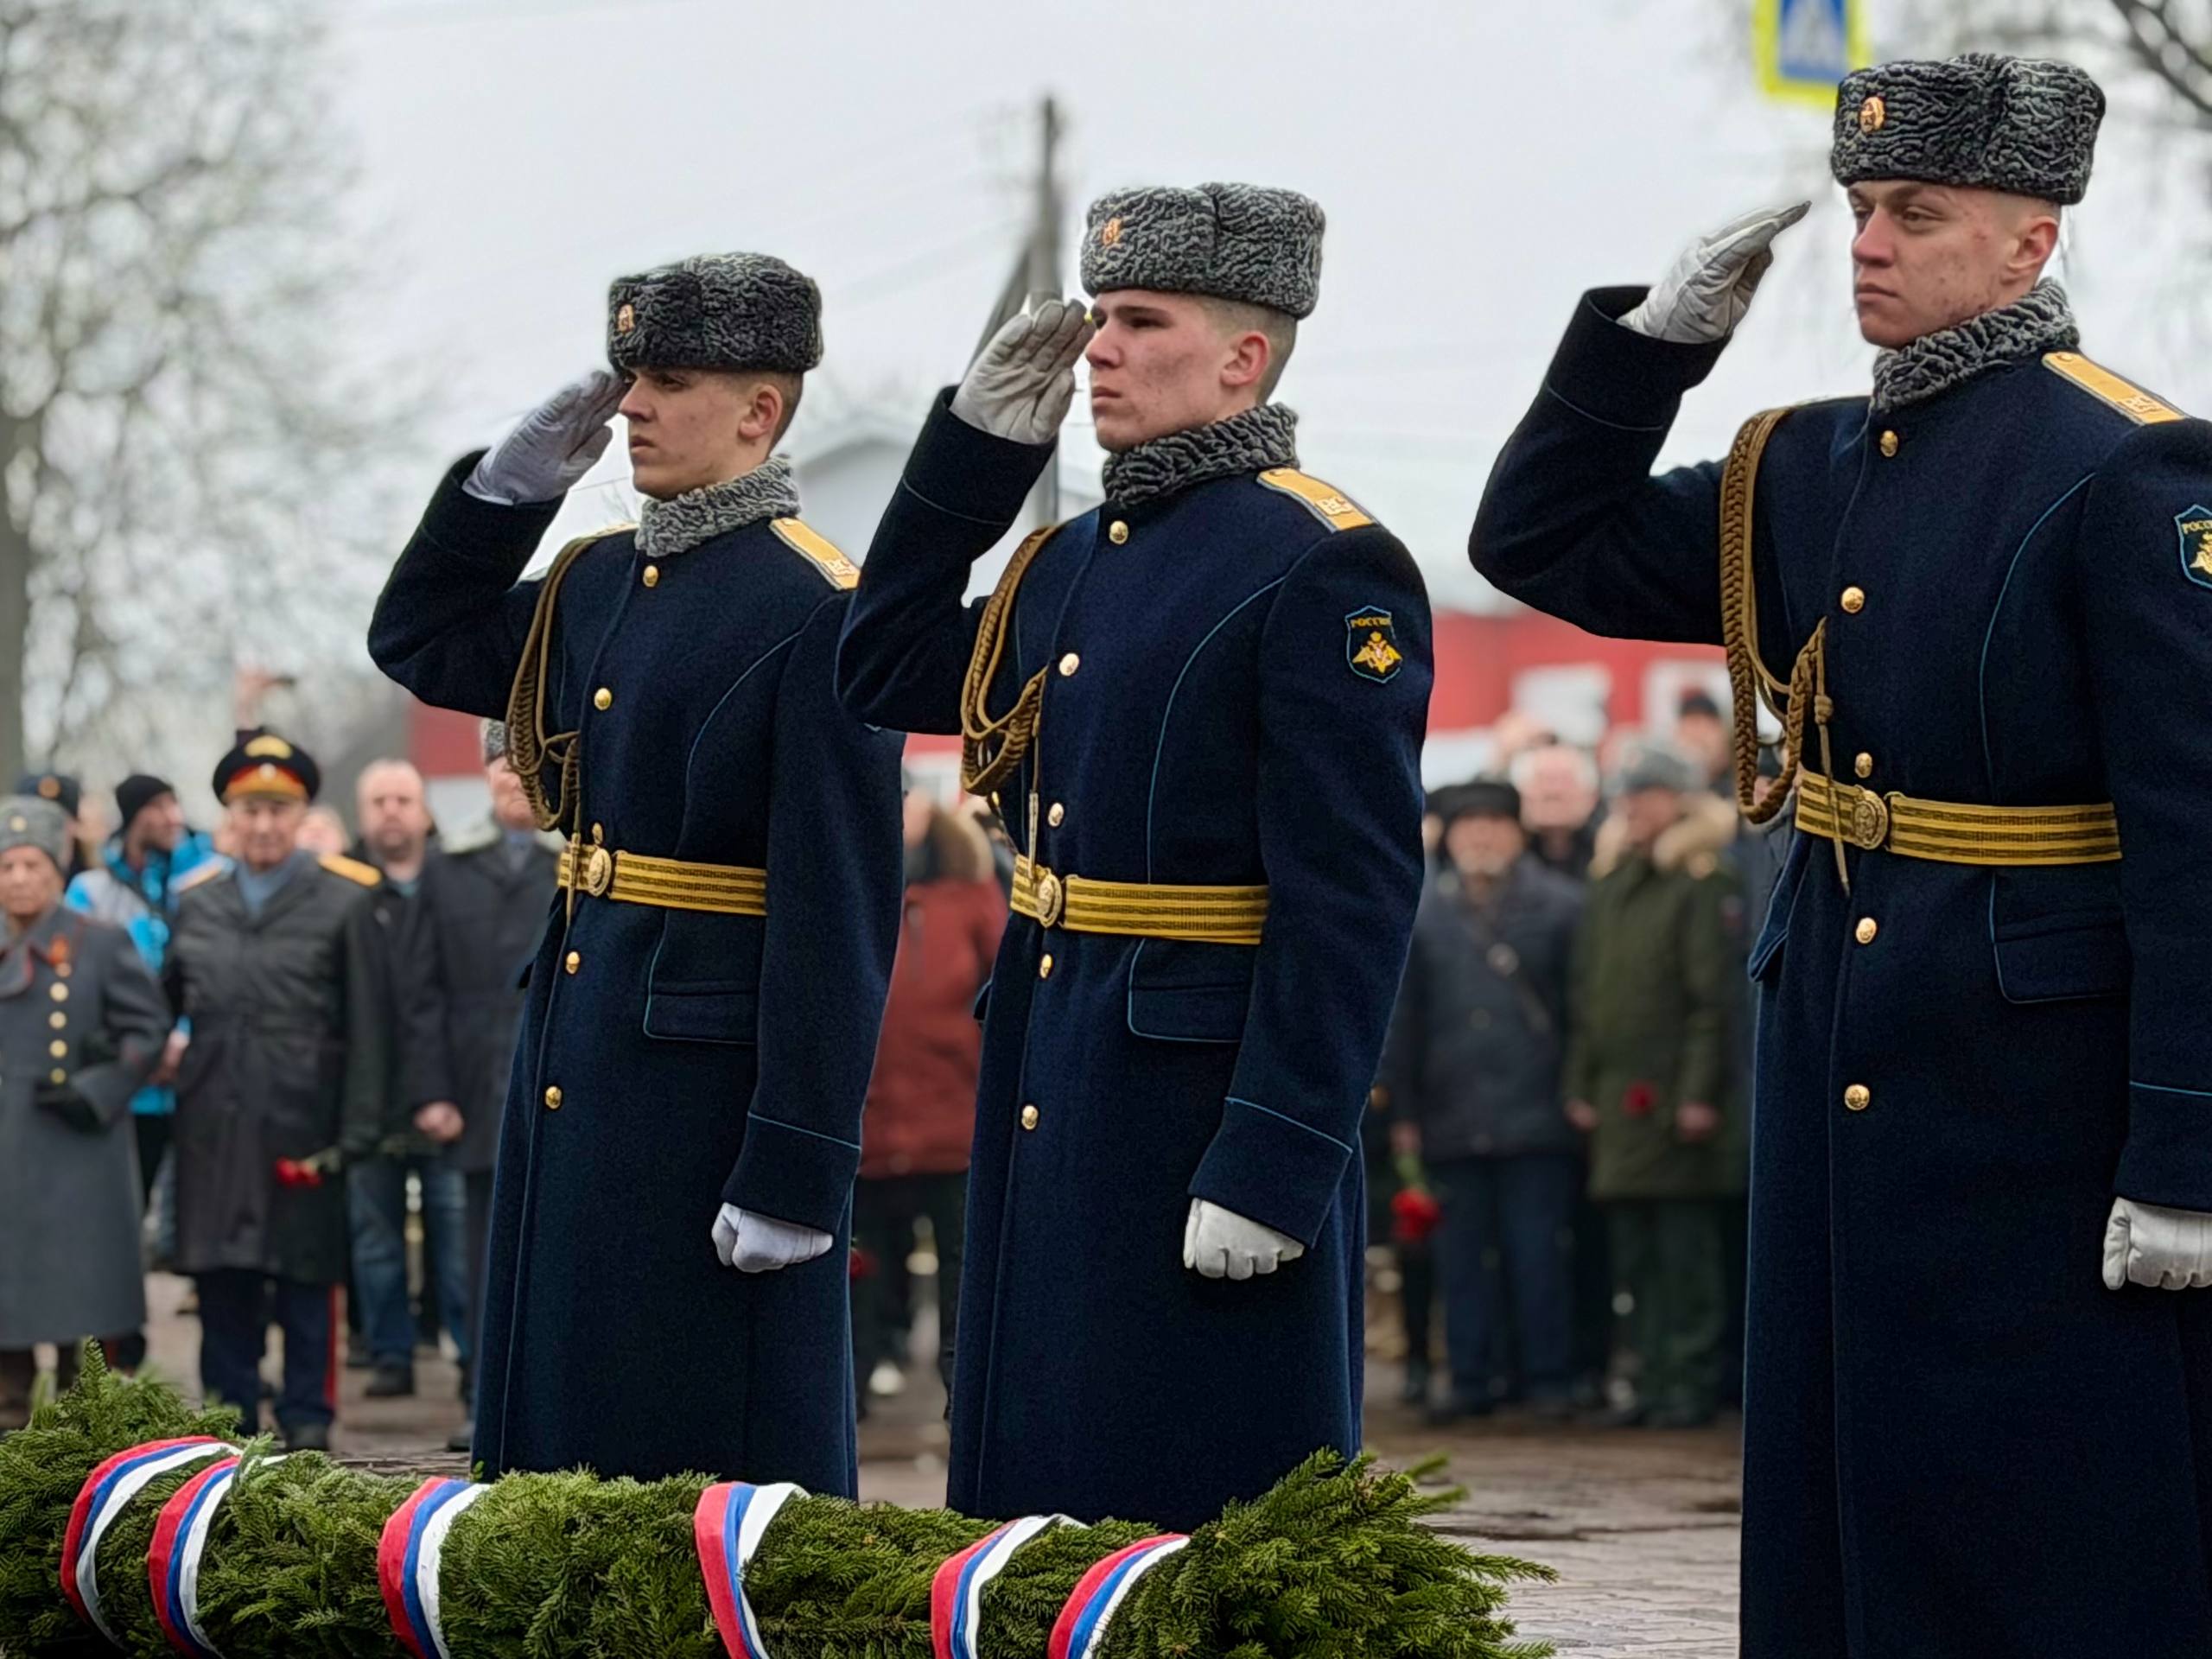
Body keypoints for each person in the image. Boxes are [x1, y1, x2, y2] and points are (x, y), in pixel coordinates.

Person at [1470, 51, 2212, 1653]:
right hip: (1836, 1034)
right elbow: (1535, 539)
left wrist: (2187, 1149)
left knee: (2044, 1506)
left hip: (2036, 1079)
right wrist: (1650, 349)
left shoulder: (2129, 466)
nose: (1868, 242)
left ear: (2031, 240)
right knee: (1842, 1487)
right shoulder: (1794, 466)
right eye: (1862, 207)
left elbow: (2196, 844)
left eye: (1917, 213)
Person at [839, 183, 1433, 1529]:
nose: (1098, 349)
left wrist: (1277, 1155)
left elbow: (1352, 898)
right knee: (1040, 1481)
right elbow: (877, 663)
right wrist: (973, 454)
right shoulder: (1063, 564)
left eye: (1141, 321)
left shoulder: (1320, 562)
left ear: (1243, 356)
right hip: (1055, 1056)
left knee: (1194, 1493)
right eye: (1099, 316)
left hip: (1195, 1096)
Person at [369, 251, 902, 1489]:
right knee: (558, 1415)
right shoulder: (593, 579)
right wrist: (504, 495)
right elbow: (419, 638)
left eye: (667, 382)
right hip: (580, 1037)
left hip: (703, 1095)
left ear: (759, 410)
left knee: (689, 1435)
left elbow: (838, 916)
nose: (632, 409)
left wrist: (797, 1162)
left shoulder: (819, 607)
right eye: (630, 379)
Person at [164, 731, 389, 1452]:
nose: (263, 826)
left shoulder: (345, 900)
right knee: (221, 1277)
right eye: (249, 811)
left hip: (303, 1126)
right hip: (214, 1126)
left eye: (278, 811)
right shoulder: (195, 904)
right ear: (229, 817)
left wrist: (358, 1130)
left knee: (305, 1280)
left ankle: (307, 1421)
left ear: (300, 816)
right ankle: (228, 1423)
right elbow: (160, 1007)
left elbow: (371, 1026)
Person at [1382, 778, 1585, 1423]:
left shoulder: (1563, 907)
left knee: (1538, 1254)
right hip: (1451, 1114)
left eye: (1495, 825)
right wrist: (1404, 1113)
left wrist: (1579, 1092)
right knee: (1460, 1260)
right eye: (1469, 827)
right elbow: (1402, 1025)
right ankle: (1470, 1376)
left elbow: (1584, 1014)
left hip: (1538, 1113)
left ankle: (1547, 1378)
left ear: (1518, 834)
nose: (1482, 838)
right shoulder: (1424, 913)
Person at [1562, 745, 1740, 1429]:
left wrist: (1697, 1095)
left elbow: (1711, 1004)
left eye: (1645, 794)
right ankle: (1649, 1378)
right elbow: (1589, 997)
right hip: (1619, 1101)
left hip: (1672, 1102)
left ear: (1679, 800)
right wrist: (1581, 1083)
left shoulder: (1699, 882)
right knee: (1634, 1253)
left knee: (1684, 1253)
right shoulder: (1611, 883)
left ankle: (1688, 1381)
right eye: (1625, 794)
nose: (1630, 806)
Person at [404, 721, 561, 1453]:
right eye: (503, 765)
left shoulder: (580, 862)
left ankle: (551, 1398)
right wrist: (432, 1092)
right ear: (486, 774)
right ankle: (479, 1392)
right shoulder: (444, 870)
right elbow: (420, 994)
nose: (515, 779)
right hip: (472, 1087)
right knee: (475, 1254)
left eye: (529, 765)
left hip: (556, 1080)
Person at [0, 797, 169, 1427]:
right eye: (7, 866)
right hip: (6, 1150)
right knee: (7, 1304)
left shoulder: (98, 942)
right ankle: (10, 1428)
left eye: (33, 866)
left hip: (77, 1149)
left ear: (58, 871)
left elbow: (147, 1030)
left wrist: (97, 1087)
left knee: (82, 1308)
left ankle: (80, 1443)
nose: (19, 879)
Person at [65, 774, 226, 1370]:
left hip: (199, 1076)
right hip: (130, 1089)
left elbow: (213, 970)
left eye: (175, 803)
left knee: (204, 1219)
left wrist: (179, 1035)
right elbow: (80, 986)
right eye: (160, 806)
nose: (174, 816)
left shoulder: (205, 876)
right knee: (119, 1218)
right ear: (135, 816)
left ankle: (221, 1359)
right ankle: (116, 1348)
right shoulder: (92, 891)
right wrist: (137, 1049)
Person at [851, 789, 1004, 1412]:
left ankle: (963, 1407)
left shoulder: (972, 891)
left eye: (910, 796)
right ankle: (860, 1392)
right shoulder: (858, 882)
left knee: (961, 1279)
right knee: (868, 1273)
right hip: (873, 1128)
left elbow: (1003, 989)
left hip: (955, 1126)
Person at [343, 757, 467, 1403]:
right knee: (376, 1242)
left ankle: (470, 1360)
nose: (391, 811)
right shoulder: (343, 893)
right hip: (368, 1094)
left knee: (456, 1239)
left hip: (449, 1094)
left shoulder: (457, 884)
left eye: (402, 799)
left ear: (424, 811)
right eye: (379, 801)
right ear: (362, 814)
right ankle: (390, 1354)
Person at [1510, 744, 1602, 881]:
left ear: (1592, 797)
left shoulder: (1611, 855)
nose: (1552, 791)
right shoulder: (1505, 857)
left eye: (1565, 780)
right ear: (1520, 795)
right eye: (1541, 779)